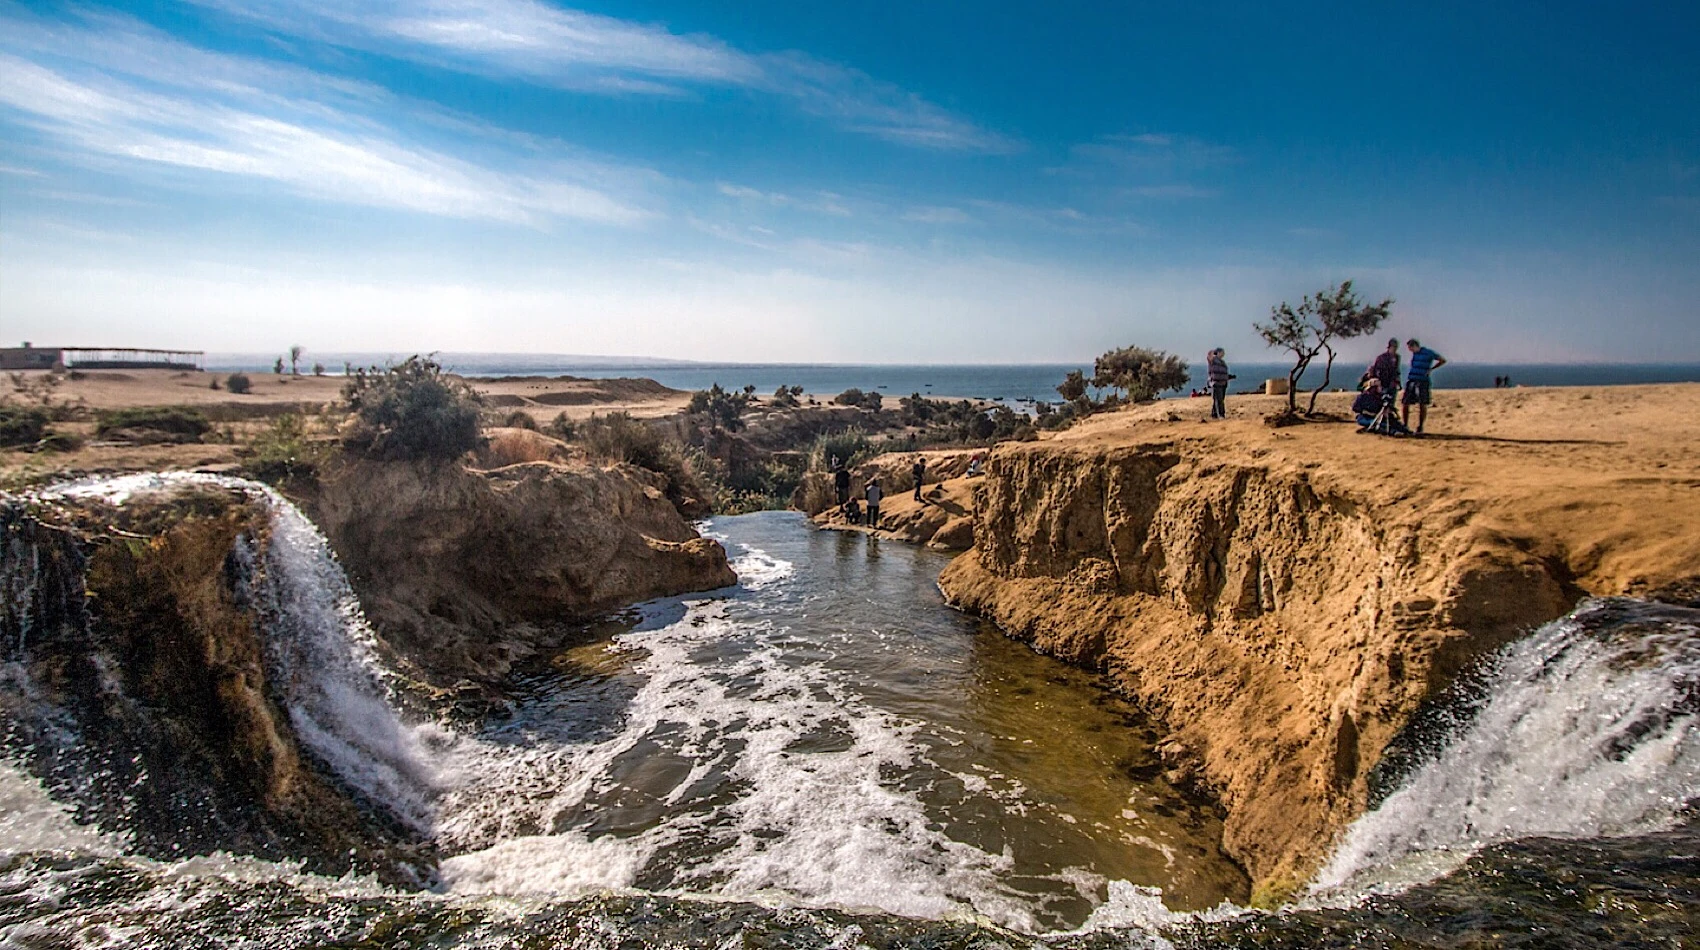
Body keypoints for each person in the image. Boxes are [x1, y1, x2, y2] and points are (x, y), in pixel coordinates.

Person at [1402, 338, 1448, 435]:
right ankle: (1405, 425)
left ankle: (1420, 426)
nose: (1410, 351)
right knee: (1405, 402)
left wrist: (1431, 369)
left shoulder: (1428, 353)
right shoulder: (1415, 355)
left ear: (1414, 346)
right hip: (1412, 379)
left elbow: (1442, 360)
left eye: (1410, 348)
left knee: (1422, 403)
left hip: (1422, 380)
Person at [1206, 348, 1235, 419]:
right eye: (1222, 352)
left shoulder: (1222, 362)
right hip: (1216, 383)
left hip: (1223, 383)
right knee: (1219, 400)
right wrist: (1212, 353)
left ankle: (1214, 414)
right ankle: (1221, 415)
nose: (1223, 354)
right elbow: (1209, 357)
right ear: (1218, 352)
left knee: (1219, 399)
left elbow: (1222, 372)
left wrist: (1229, 377)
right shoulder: (1213, 360)